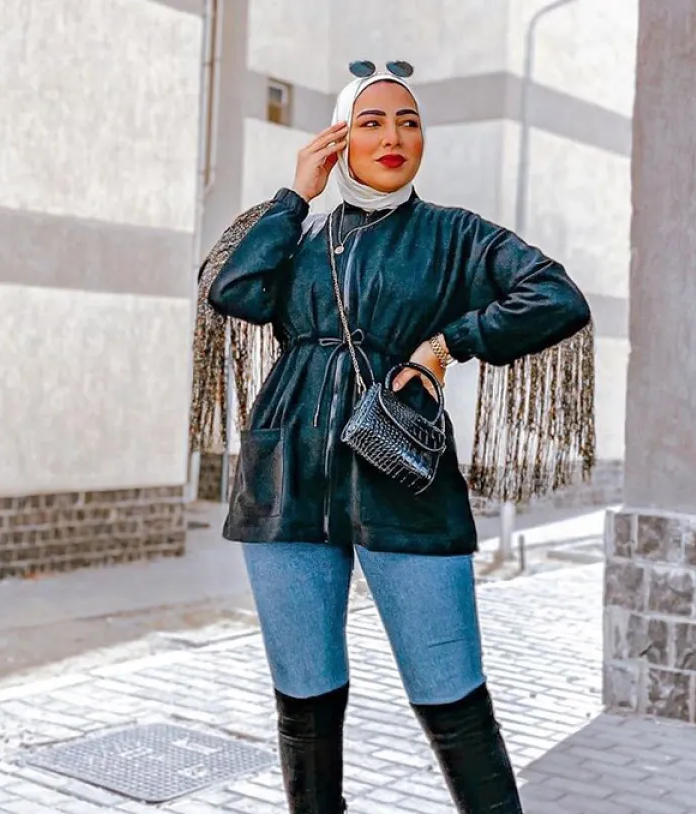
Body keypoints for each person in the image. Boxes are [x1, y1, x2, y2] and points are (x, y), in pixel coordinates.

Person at [192, 61, 594, 814]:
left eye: (408, 122)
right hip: (286, 473)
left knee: (452, 694)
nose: (393, 137)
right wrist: (295, 194)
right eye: (371, 122)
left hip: (400, 470)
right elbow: (233, 291)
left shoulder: (454, 234)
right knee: (303, 697)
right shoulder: (299, 236)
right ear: (339, 138)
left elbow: (557, 297)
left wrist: (446, 345)